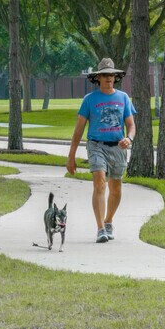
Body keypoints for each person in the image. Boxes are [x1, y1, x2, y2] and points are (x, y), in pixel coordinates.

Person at [66, 58, 136, 243]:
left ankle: (108, 221)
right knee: (99, 183)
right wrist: (71, 156)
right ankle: (100, 229)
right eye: (105, 75)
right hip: (96, 145)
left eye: (111, 75)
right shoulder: (89, 100)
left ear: (115, 77)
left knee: (116, 189)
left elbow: (131, 125)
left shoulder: (123, 98)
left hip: (117, 148)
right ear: (98, 78)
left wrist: (128, 138)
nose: (108, 78)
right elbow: (79, 129)